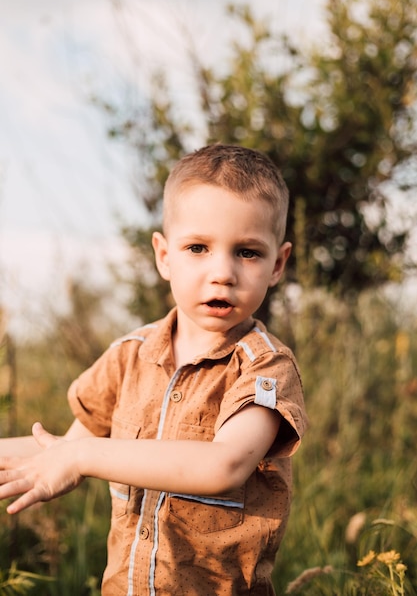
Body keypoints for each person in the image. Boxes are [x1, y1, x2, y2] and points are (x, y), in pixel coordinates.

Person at [0, 144, 307, 596]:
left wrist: (81, 459)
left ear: (277, 264)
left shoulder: (265, 366)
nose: (222, 272)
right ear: (164, 256)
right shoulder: (130, 354)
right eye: (198, 247)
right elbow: (64, 448)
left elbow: (225, 465)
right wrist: (66, 454)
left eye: (247, 252)